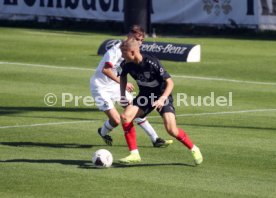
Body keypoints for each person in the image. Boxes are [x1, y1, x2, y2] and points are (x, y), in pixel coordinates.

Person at [118, 38, 203, 165]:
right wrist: (122, 95)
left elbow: (170, 82)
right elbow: (123, 77)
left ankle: (194, 148)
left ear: (132, 52)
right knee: (125, 117)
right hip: (145, 96)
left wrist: (162, 99)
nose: (122, 55)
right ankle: (134, 154)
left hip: (162, 95)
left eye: (123, 53)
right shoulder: (126, 64)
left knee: (171, 130)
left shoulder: (152, 62)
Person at [90, 25, 173, 147]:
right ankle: (103, 132)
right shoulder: (117, 49)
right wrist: (123, 82)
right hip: (100, 87)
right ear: (130, 36)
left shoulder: (132, 50)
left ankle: (155, 139)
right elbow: (106, 70)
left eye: (142, 40)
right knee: (116, 120)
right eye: (138, 39)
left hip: (114, 86)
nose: (140, 42)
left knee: (133, 111)